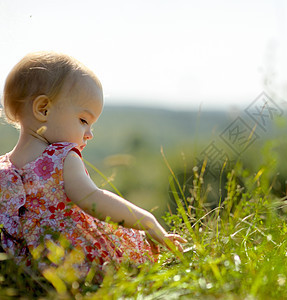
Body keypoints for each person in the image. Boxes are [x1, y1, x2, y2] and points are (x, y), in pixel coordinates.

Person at [0, 51, 187, 279]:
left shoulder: (3, 168)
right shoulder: (61, 158)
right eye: (83, 121)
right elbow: (93, 199)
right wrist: (147, 221)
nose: (89, 134)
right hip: (69, 264)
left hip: (22, 272)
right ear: (43, 109)